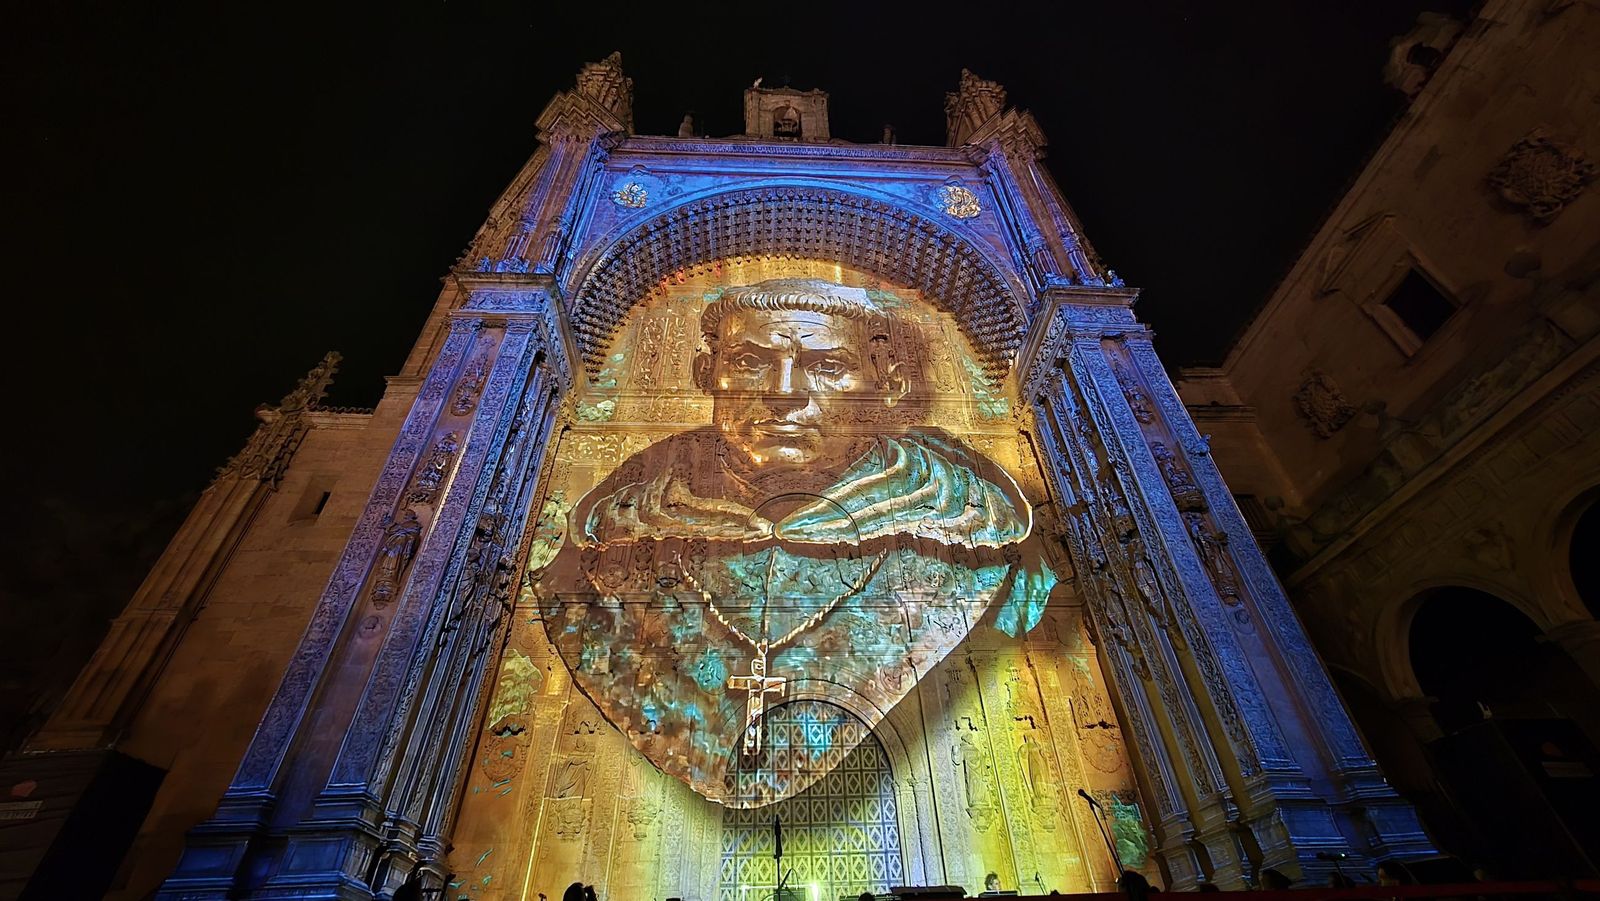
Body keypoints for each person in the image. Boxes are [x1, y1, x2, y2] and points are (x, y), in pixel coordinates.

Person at [536, 279, 1056, 806]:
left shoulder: (974, 536)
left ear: (888, 385)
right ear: (705, 373)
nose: (784, 391)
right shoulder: (609, 538)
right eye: (748, 361)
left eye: (827, 366)